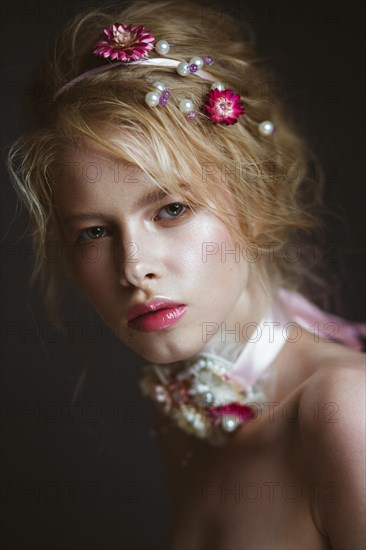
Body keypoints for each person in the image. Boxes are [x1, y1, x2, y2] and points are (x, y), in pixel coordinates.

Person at [6, 0, 365, 548]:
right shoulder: (187, 405)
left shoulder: (344, 410)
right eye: (94, 232)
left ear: (256, 196)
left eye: (171, 209)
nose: (133, 267)